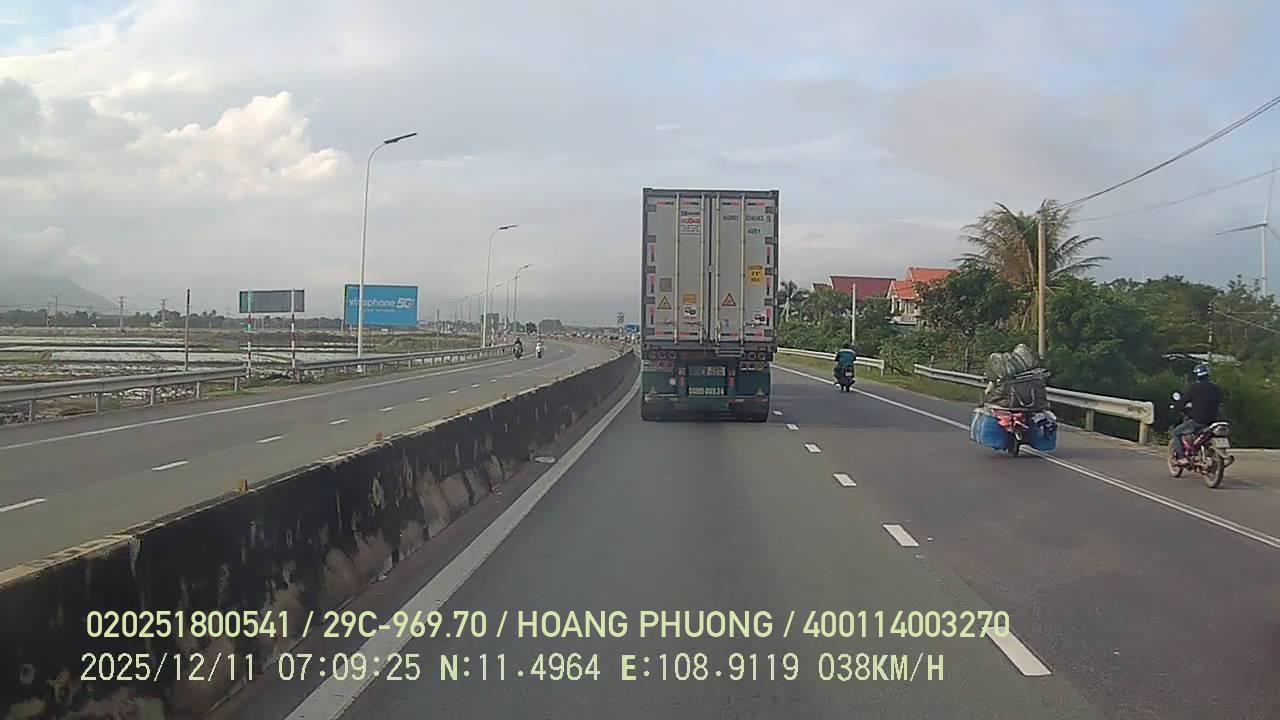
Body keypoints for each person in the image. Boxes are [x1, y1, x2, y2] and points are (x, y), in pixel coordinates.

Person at [1171, 362, 1222, 464]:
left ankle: (1181, 457)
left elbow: (1183, 401)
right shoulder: (1215, 388)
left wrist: (1176, 407)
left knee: (1176, 432)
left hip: (1198, 421)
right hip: (1212, 420)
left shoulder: (1193, 388)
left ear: (1196, 375)